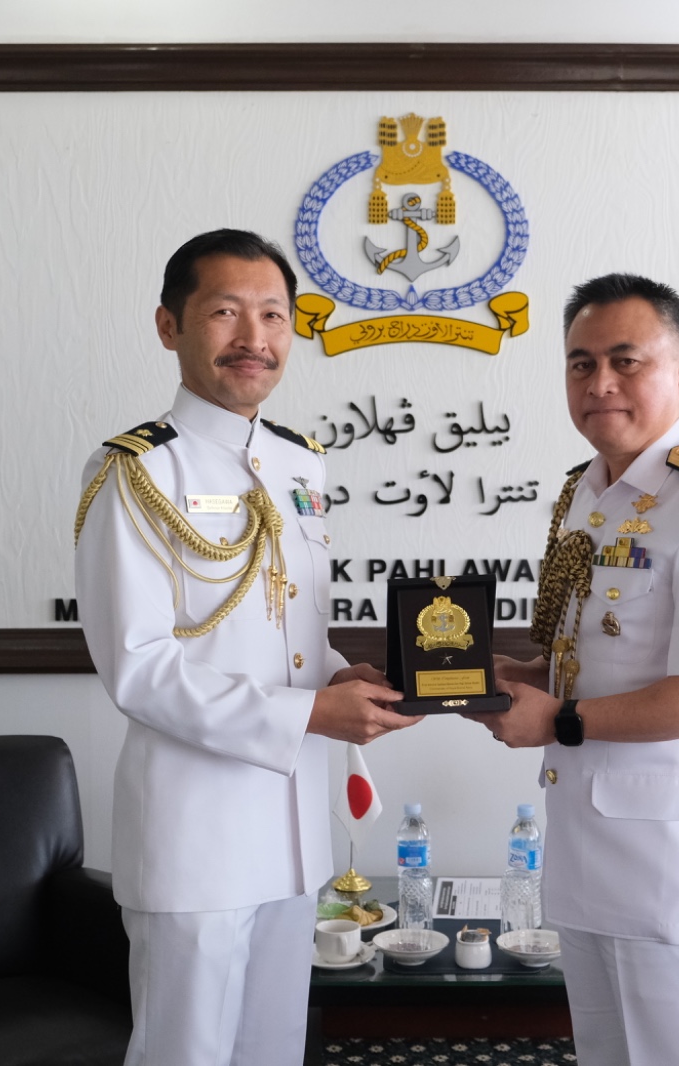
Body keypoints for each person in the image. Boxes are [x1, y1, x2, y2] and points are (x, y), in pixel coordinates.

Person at [74, 229, 422, 1066]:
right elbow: (139, 668)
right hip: (195, 836)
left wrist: (347, 678)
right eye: (225, 312)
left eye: (273, 315)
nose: (254, 338)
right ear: (170, 326)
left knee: (272, 1050)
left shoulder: (299, 463)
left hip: (292, 832)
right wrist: (314, 714)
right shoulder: (137, 471)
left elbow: (289, 638)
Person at [469, 273, 679, 1065]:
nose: (598, 383)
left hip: (672, 866)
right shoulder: (586, 493)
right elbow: (594, 652)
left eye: (624, 361)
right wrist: (516, 675)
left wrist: (560, 719)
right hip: (585, 849)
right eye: (580, 363)